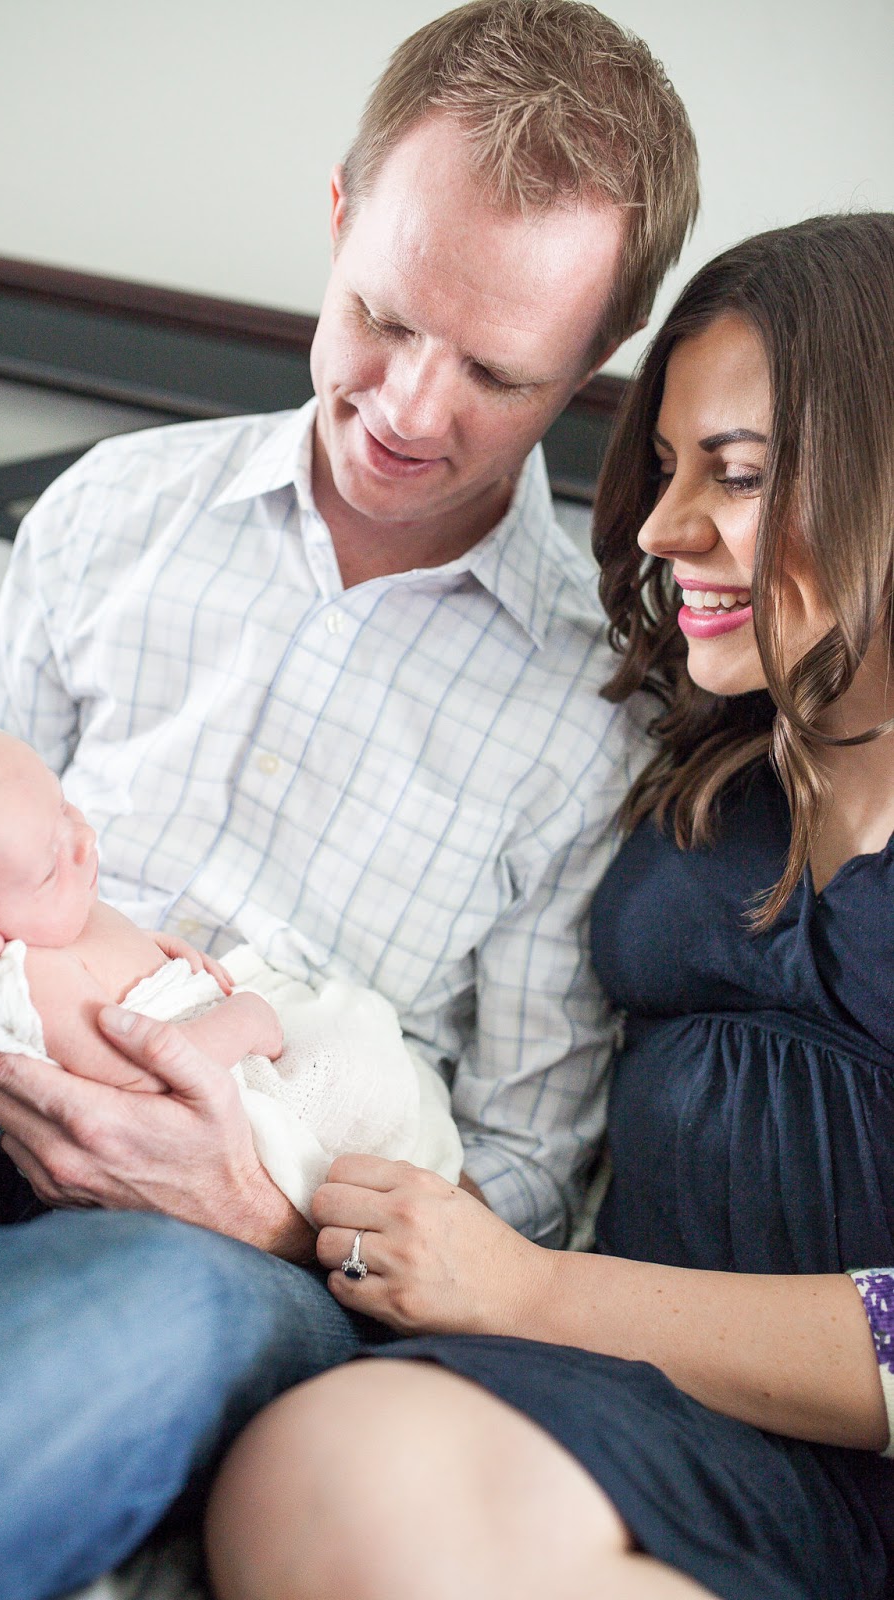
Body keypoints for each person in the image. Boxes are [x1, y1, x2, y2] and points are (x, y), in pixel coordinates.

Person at [0, 5, 698, 1597]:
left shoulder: (601, 720)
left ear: (590, 371)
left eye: (499, 374)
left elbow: (518, 1182)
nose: (411, 410)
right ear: (338, 216)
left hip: (235, 1255)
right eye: (381, 317)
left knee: (110, 1327)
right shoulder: (112, 514)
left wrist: (267, 1211)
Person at [202, 213, 894, 1600]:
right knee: (342, 1480)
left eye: (738, 474)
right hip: (651, 1411)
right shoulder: (690, 753)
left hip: (809, 1437)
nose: (658, 527)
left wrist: (519, 1289)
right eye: (662, 468)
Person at [0, 715, 462, 1218]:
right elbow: (139, 1085)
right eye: (50, 864)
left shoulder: (29, 902)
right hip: (170, 1132)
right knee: (358, 1075)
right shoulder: (27, 981)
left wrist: (158, 950)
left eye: (66, 807)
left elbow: (106, 954)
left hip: (230, 1186)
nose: (83, 840)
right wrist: (245, 1021)